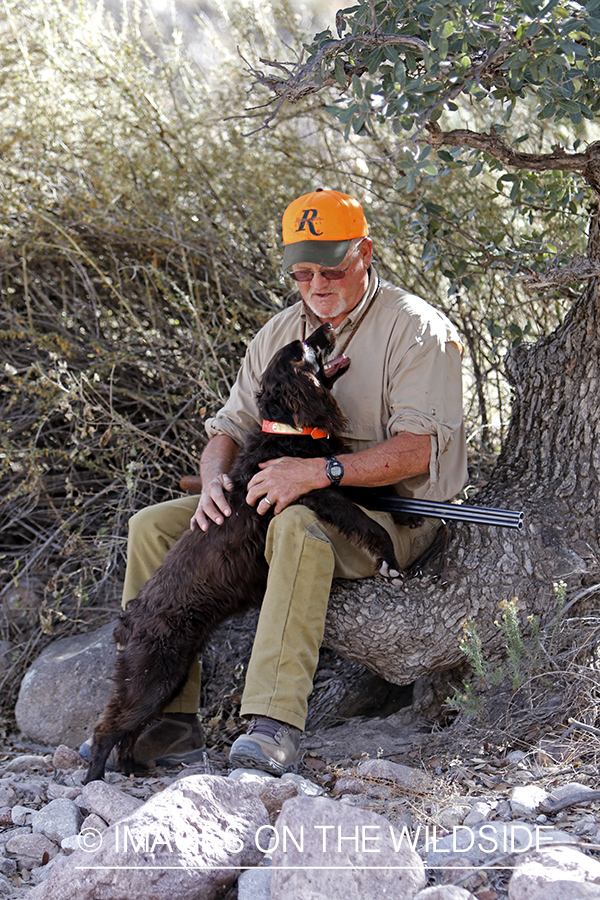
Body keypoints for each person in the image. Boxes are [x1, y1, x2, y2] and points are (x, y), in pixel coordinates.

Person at [81, 189, 467, 775]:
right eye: (302, 272)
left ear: (364, 252)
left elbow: (416, 453)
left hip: (393, 514)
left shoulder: (415, 331)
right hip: (294, 492)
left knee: (294, 520)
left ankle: (272, 722)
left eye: (332, 267)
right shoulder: (279, 333)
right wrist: (213, 480)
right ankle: (162, 723)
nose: (317, 284)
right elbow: (229, 428)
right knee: (153, 526)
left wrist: (315, 472)